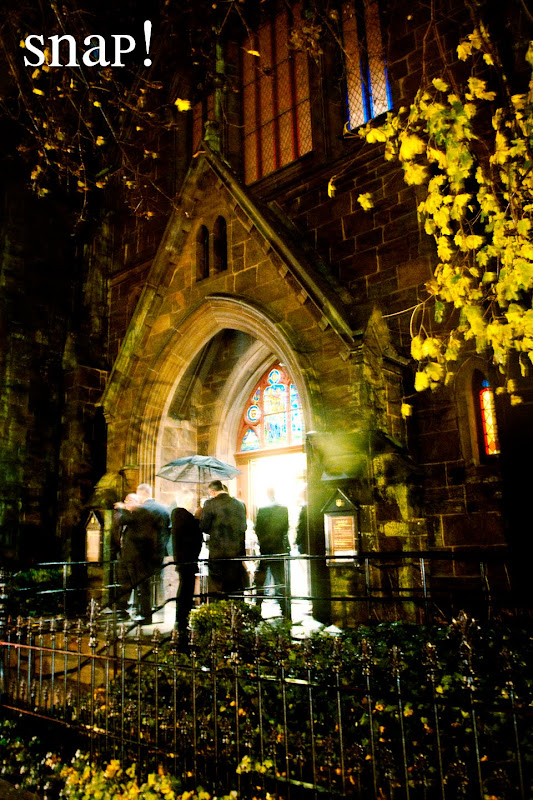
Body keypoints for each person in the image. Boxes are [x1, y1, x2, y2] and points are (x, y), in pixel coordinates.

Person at [115, 484, 170, 625]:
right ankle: (150, 613)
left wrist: (123, 508)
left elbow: (123, 521)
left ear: (141, 495)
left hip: (139, 554)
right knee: (148, 585)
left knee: (141, 586)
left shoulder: (141, 511)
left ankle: (144, 614)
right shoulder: (160, 509)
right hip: (151, 554)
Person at [199, 479, 247, 600]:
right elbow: (243, 527)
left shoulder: (210, 504)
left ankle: (217, 610)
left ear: (212, 491)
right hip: (236, 553)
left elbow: (204, 527)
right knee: (235, 588)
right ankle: (235, 610)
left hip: (218, 553)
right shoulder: (240, 504)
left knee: (217, 588)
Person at [254, 488, 291, 619]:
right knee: (280, 580)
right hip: (278, 548)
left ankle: (257, 608)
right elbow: (285, 528)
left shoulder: (262, 510)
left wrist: (262, 542)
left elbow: (258, 529)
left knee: (260, 580)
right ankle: (285, 611)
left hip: (265, 549)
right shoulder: (283, 509)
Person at [171, 504, 203, 643]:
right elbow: (195, 539)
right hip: (188, 561)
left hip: (183, 561)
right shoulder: (186, 521)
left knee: (185, 590)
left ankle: (182, 620)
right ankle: (182, 620)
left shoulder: (179, 522)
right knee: (186, 591)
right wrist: (197, 519)